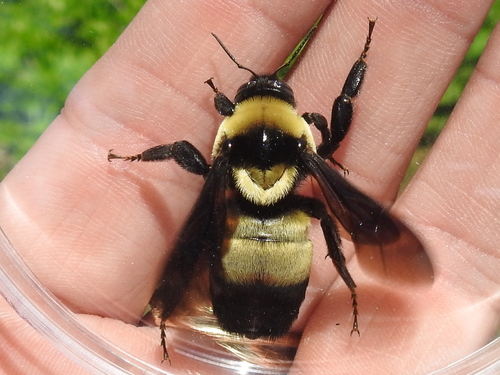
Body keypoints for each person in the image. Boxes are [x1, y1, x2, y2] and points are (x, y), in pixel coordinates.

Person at [0, 0, 499, 373]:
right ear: (300, 122)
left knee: (195, 203)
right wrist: (359, 63)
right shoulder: (311, 153)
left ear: (230, 118)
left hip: (232, 266)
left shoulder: (222, 154)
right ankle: (346, 282)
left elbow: (182, 153)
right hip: (283, 263)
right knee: (325, 214)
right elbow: (342, 113)